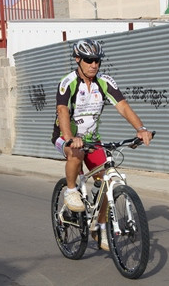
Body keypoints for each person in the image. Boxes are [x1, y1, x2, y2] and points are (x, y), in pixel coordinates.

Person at [51, 39, 153, 251]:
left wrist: (141, 129)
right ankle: (71, 190)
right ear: (77, 59)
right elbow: (62, 111)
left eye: (97, 60)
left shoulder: (105, 82)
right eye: (88, 60)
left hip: (91, 139)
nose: (94, 64)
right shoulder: (67, 82)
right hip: (65, 136)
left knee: (108, 177)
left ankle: (100, 225)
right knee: (76, 153)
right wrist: (70, 137)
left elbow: (123, 107)